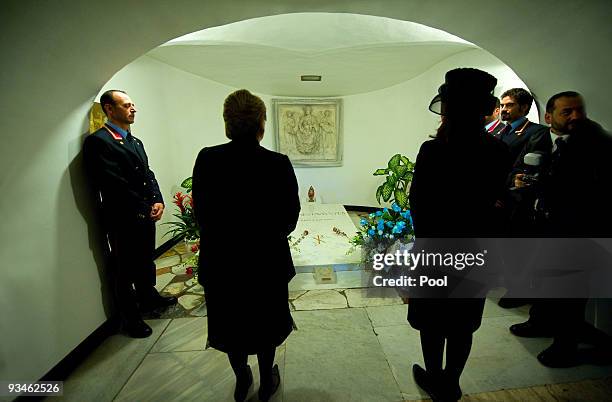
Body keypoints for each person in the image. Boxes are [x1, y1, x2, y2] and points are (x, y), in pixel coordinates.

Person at [408, 69, 511, 401]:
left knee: (432, 321)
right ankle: (450, 383)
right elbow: (496, 203)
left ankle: (434, 377)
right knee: (463, 322)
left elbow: (419, 208)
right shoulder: (498, 151)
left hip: (436, 251)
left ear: (448, 108)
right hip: (475, 249)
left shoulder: (433, 151)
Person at [191, 89, 300, 402]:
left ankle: (242, 379)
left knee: (230, 325)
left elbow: (203, 215)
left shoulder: (207, 158)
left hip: (222, 264)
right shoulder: (277, 163)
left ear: (227, 123)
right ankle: (267, 381)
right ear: (261, 124)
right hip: (266, 264)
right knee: (266, 327)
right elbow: (289, 218)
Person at [507, 91, 612, 367]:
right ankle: (539, 322)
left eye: (579, 110)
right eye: (568, 112)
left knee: (570, 291)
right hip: (542, 222)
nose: (576, 116)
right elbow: (518, 167)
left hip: (577, 229)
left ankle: (565, 348)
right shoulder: (538, 138)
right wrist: (518, 180)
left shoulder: (595, 142)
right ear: (549, 117)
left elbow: (588, 190)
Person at [83, 90, 176, 338]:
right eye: (126, 105)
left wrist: (157, 200)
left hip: (145, 214)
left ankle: (149, 298)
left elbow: (148, 174)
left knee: (146, 260)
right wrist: (145, 207)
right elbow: (114, 185)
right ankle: (130, 319)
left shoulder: (135, 142)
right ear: (109, 109)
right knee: (124, 269)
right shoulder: (99, 142)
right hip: (122, 218)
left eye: (133, 104)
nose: (133, 109)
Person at [497, 88, 548, 165]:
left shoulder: (538, 131)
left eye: (509, 105)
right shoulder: (501, 130)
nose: (503, 109)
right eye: (502, 105)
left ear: (524, 107)